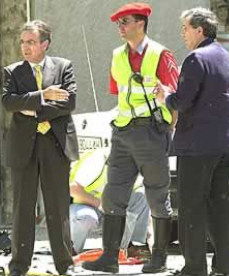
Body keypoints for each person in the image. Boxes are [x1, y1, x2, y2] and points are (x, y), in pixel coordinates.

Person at [81, 2, 179, 274]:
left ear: (141, 23)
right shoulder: (117, 55)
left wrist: (168, 126)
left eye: (125, 22)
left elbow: (176, 95)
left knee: (157, 196)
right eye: (118, 24)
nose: (120, 28)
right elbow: (119, 92)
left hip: (151, 132)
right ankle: (110, 258)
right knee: (113, 195)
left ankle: (159, 258)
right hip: (123, 132)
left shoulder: (161, 54)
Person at [155, 7, 229, 276]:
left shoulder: (195, 58)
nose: (183, 33)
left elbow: (182, 101)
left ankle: (194, 269)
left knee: (191, 210)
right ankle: (225, 268)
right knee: (222, 210)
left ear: (199, 30)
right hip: (225, 144)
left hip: (197, 147)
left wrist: (165, 96)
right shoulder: (223, 55)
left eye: (185, 28)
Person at [1, 20, 79, 276]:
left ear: (45, 44)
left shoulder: (63, 67)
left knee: (58, 208)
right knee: (23, 208)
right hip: (24, 148)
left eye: (31, 42)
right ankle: (19, 266)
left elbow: (69, 103)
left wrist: (30, 109)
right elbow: (9, 102)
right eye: (23, 42)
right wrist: (44, 95)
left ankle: (65, 265)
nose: (25, 47)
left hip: (55, 146)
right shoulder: (12, 71)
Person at [69, 148, 151, 255]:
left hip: (111, 214)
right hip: (83, 207)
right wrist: (101, 204)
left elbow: (142, 205)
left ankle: (126, 247)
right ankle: (72, 250)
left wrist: (149, 236)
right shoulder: (98, 160)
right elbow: (73, 189)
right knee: (86, 217)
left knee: (142, 195)